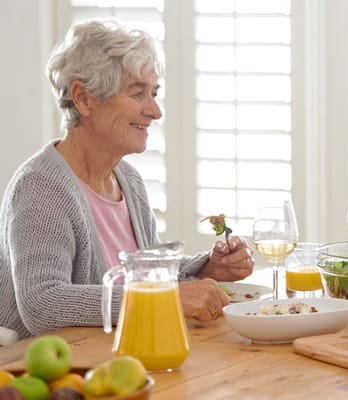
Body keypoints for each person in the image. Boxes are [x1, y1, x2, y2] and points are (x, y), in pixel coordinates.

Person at [0, 19, 255, 341]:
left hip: (131, 350)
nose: (155, 111)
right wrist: (165, 299)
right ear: (83, 98)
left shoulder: (128, 180)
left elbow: (143, 280)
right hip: (68, 369)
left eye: (154, 93)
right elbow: (42, 303)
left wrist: (206, 269)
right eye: (138, 94)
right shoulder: (40, 187)